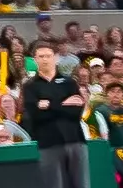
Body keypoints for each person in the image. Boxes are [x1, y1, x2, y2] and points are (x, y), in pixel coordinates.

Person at [19, 39, 88, 188]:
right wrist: (64, 104)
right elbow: (36, 116)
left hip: (75, 140)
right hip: (48, 143)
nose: (45, 60)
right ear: (35, 59)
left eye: (48, 56)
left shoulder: (69, 82)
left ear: (55, 58)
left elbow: (76, 112)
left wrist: (49, 105)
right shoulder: (30, 86)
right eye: (41, 56)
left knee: (81, 184)